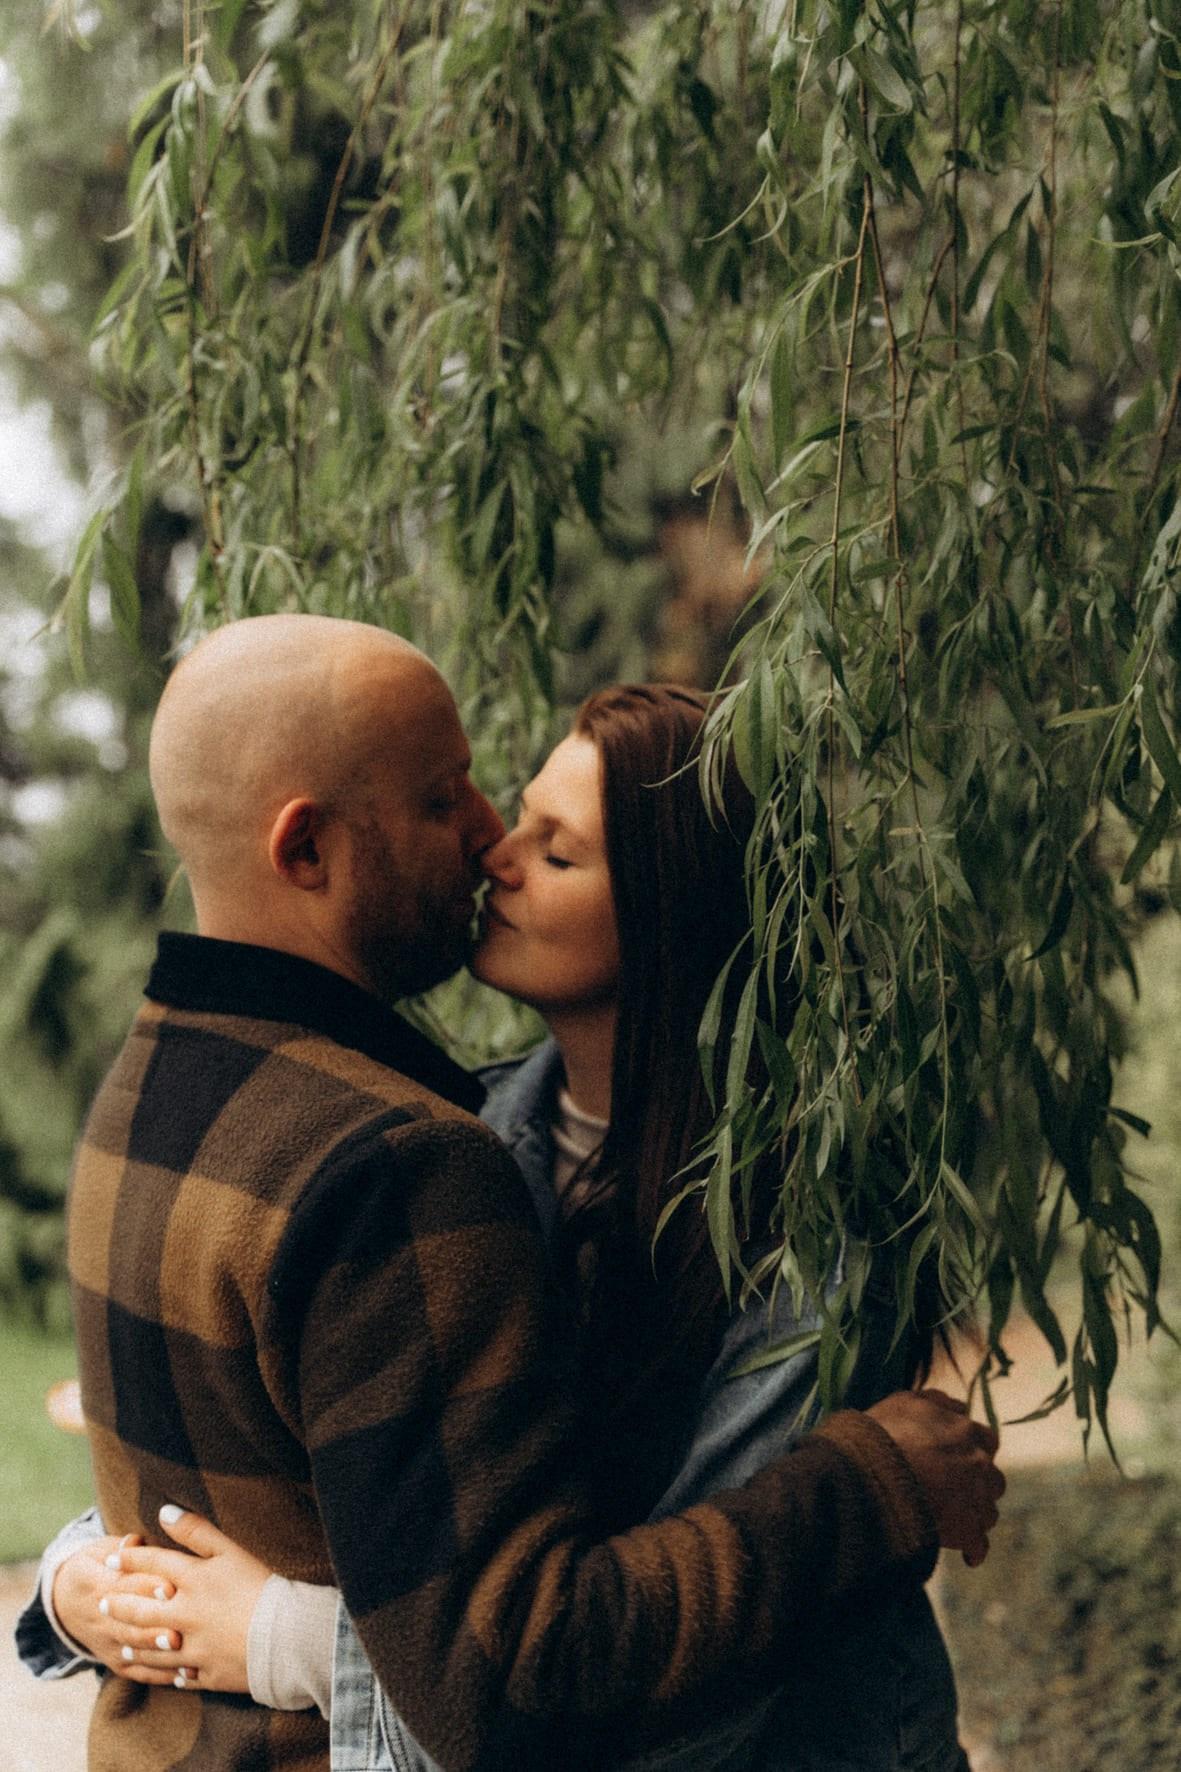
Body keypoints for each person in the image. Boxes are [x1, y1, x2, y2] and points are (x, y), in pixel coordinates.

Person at [19, 619, 1003, 1772]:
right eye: (470, 804)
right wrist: (81, 1576)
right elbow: (376, 1538)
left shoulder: (801, 1220)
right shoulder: (454, 1144)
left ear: (677, 911)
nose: (493, 848)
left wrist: (283, 1634)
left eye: (556, 847)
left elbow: (661, 1685)